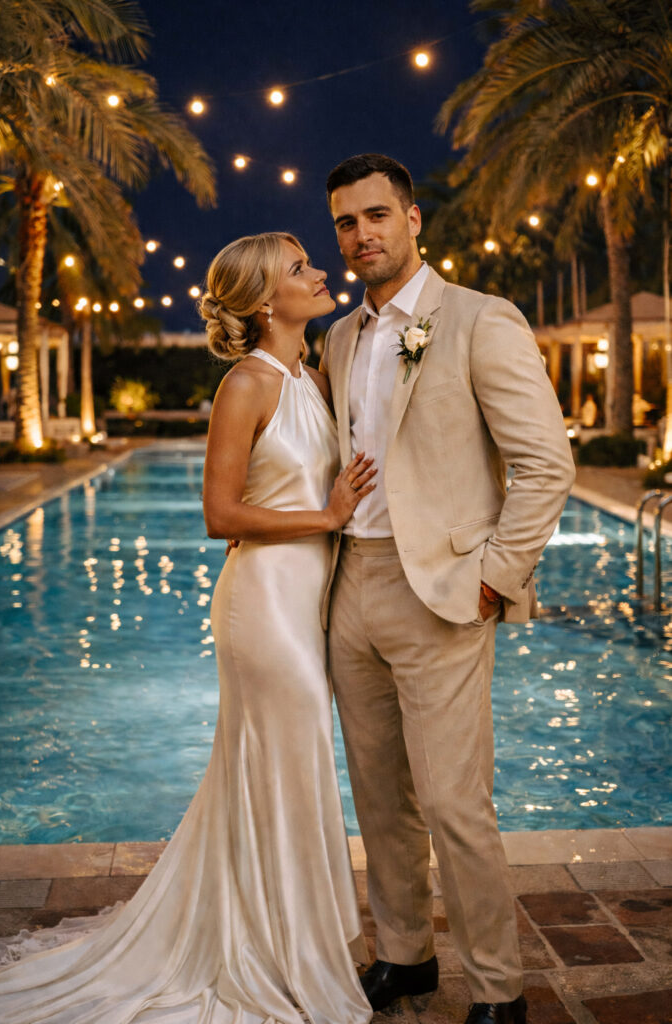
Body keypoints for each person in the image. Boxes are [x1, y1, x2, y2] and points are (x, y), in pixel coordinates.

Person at [0, 232, 375, 1024]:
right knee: (283, 765)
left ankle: (278, 937)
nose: (320, 272)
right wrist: (327, 514)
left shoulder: (314, 374)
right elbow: (219, 514)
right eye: (301, 268)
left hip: (306, 602)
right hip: (263, 606)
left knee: (281, 770)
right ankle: (274, 953)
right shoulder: (247, 384)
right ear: (267, 301)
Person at [320, 154, 576, 1024]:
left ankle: (498, 990)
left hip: (442, 590)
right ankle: (405, 957)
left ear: (414, 218)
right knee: (378, 795)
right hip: (350, 584)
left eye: (376, 216)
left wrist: (494, 579)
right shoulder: (337, 337)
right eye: (346, 223)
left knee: (455, 803)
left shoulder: (477, 319)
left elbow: (546, 464)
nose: (361, 235)